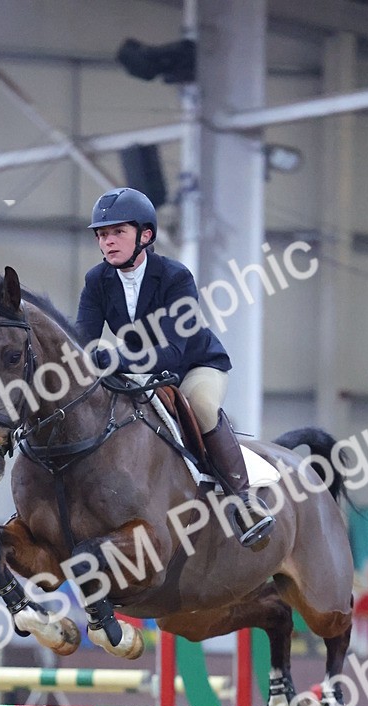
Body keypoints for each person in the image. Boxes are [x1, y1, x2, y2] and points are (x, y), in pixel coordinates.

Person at [76, 187, 275, 550]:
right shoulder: (97, 281)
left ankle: (244, 501)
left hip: (193, 365)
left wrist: (113, 357)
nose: (107, 242)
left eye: (118, 232)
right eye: (102, 235)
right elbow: (82, 340)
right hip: (138, 372)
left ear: (145, 235)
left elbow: (171, 351)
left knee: (200, 407)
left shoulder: (174, 277)